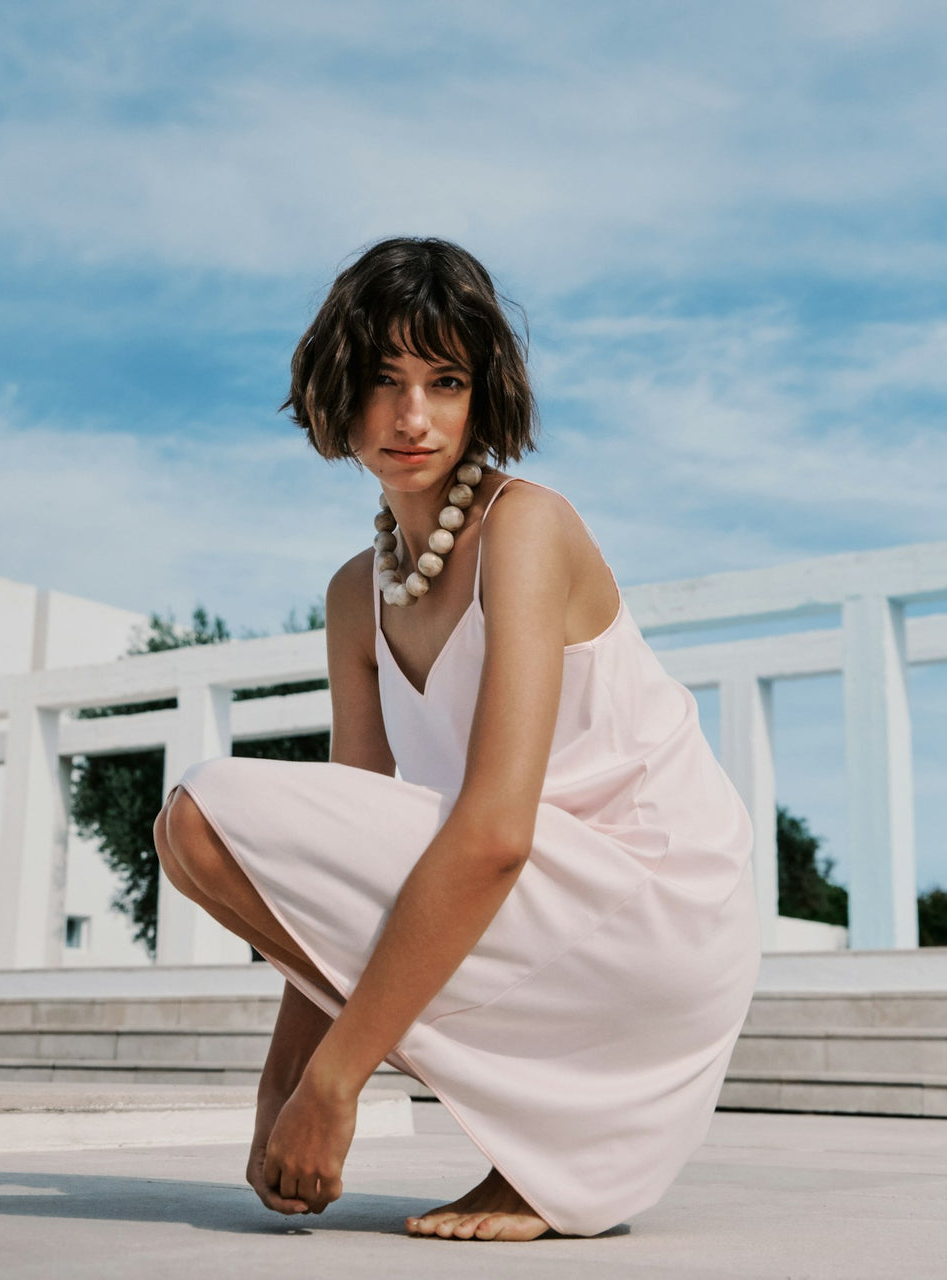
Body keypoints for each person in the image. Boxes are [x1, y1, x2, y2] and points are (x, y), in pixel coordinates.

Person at [152, 236, 761, 1242]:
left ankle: (543, 1152)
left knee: (204, 810)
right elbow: (326, 867)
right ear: (338, 394)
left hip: (653, 910)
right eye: (383, 381)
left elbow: (493, 832)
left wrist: (336, 1082)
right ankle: (528, 1143)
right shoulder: (360, 589)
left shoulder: (527, 529)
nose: (411, 417)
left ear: (483, 395)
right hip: (536, 907)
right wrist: (282, 1089)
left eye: (444, 379)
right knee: (198, 835)